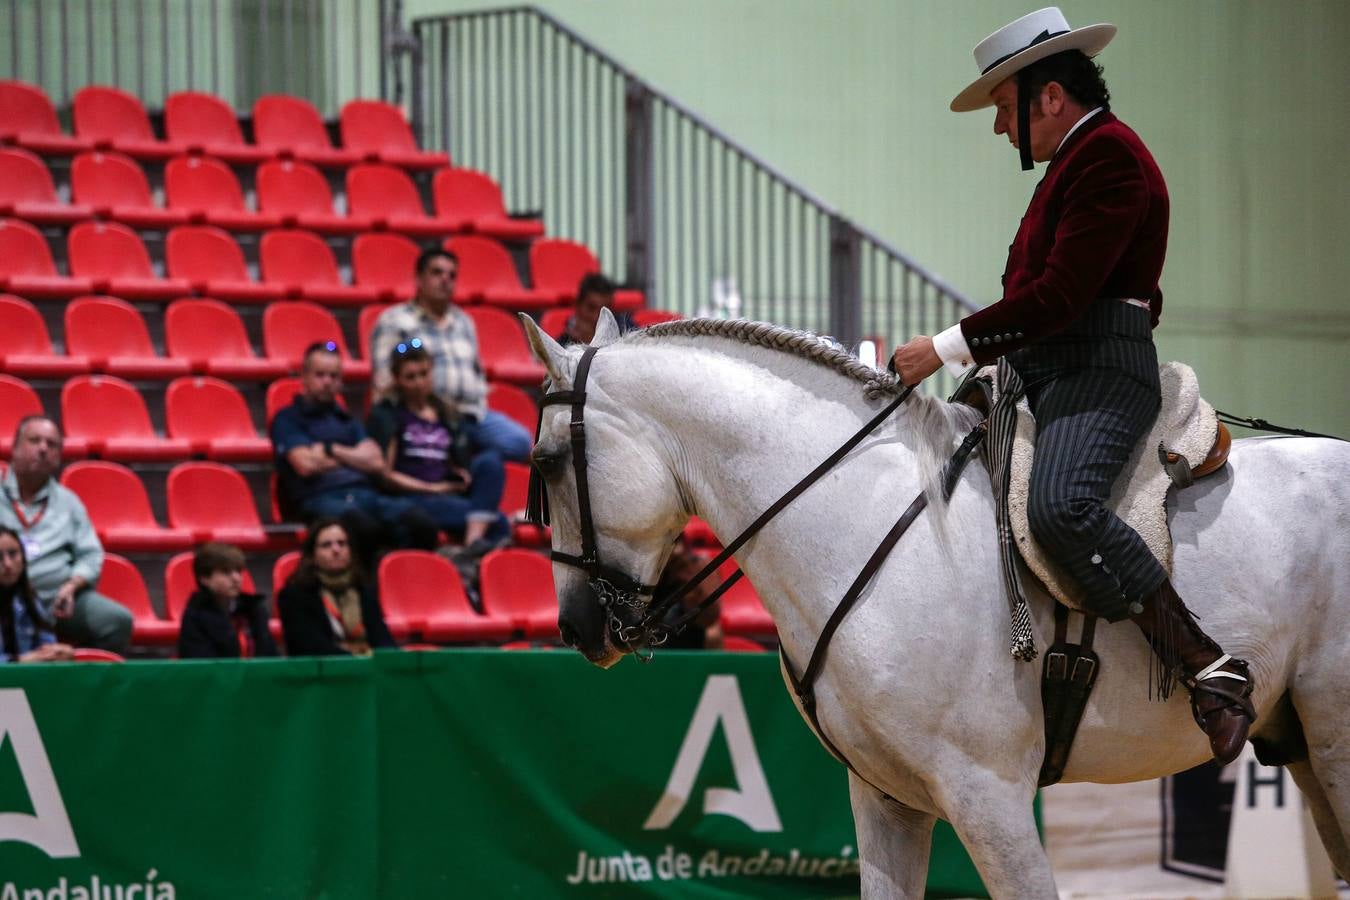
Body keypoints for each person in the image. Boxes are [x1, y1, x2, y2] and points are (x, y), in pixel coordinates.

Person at [889, 8, 1254, 763]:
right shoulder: (1076, 163)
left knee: (1061, 509)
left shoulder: (1109, 158)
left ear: (1049, 96)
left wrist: (945, 348)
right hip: (1047, 367)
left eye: (1004, 108)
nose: (1001, 128)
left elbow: (1057, 296)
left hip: (1098, 375)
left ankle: (1207, 666)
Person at [271, 341, 437, 555]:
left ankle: (398, 573)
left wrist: (330, 450)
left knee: (420, 522)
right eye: (320, 375)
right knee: (363, 526)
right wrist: (354, 458)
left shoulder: (347, 420)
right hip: (320, 498)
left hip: (364, 495)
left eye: (334, 376)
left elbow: (376, 462)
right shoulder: (288, 418)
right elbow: (305, 464)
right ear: (304, 376)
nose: (327, 382)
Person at [369, 248, 532, 462]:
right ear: (418, 279)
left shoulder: (464, 321)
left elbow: (476, 370)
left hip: (470, 414)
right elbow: (384, 379)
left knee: (520, 442)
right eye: (437, 272)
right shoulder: (394, 320)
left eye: (452, 275)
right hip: (426, 415)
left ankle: (466, 458)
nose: (445, 279)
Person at [0, 416, 133, 653]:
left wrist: (72, 585)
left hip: (57, 599)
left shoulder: (69, 502)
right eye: (34, 440)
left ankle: (75, 674)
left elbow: (91, 556)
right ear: (15, 448)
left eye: (51, 444)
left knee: (116, 621)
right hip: (4, 596)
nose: (43, 448)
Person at [366, 339, 511, 552]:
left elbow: (453, 458)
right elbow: (385, 475)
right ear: (397, 379)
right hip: (414, 497)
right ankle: (473, 545)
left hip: (447, 491)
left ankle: (471, 543)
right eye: (410, 377)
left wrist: (459, 473)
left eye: (424, 374)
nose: (419, 382)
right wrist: (432, 488)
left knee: (491, 461)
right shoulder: (388, 414)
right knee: (498, 523)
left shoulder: (446, 412)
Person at [276, 518, 395, 656]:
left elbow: (384, 642)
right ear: (312, 555)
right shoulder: (294, 596)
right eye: (326, 545)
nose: (336, 550)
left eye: (342, 543)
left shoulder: (364, 591)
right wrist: (359, 655)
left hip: (366, 667)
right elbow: (310, 648)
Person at [177, 542, 279, 659]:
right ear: (204, 578)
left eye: (238, 571)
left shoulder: (255, 609)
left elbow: (270, 657)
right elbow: (199, 663)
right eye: (226, 572)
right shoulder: (195, 614)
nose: (236, 578)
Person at [0, 526, 75, 663]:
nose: (8, 564)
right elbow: (26, 660)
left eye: (13, 554)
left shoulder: (28, 598)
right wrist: (18, 661)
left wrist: (58, 652)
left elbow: (46, 646)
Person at [653, 537, 724, 650]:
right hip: (649, 632)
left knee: (713, 633)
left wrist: (687, 579)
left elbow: (709, 617)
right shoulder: (649, 567)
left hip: (689, 632)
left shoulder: (699, 566)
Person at [557, 274, 633, 347]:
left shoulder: (626, 327)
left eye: (604, 310)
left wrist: (591, 341)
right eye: (591, 308)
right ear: (578, 305)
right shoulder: (563, 343)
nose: (596, 317)